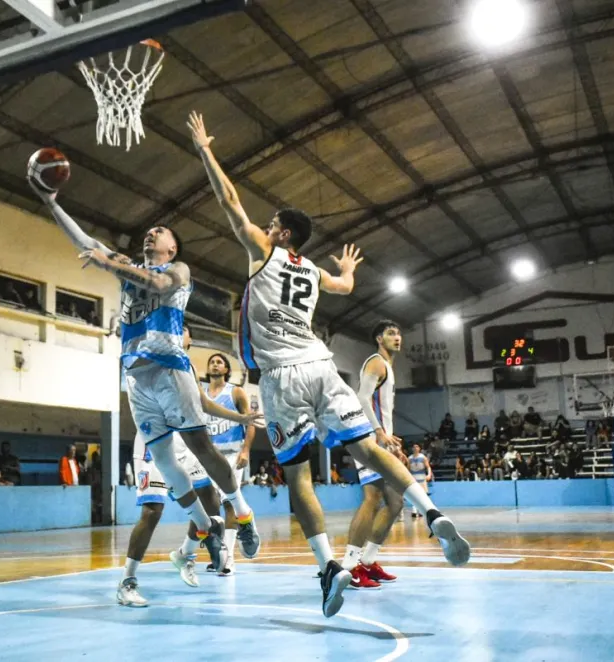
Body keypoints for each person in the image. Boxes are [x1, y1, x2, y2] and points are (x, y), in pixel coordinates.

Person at [189, 110, 470, 619]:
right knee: (365, 448)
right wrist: (345, 273)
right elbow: (344, 288)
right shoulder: (314, 272)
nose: (266, 226)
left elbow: (230, 203)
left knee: (298, 477)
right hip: (322, 366)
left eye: (273, 223)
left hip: (280, 378)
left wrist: (207, 150)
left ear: (283, 233)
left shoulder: (267, 253)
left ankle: (329, 568)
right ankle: (431, 511)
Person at [32, 174, 260, 572]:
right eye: (149, 230)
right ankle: (206, 529)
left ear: (172, 246)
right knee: (165, 460)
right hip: (136, 376)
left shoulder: (180, 270)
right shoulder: (127, 266)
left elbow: (157, 283)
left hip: (171, 367)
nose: (151, 233)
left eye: (160, 231)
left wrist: (107, 262)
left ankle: (242, 514)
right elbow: (86, 243)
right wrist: (52, 203)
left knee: (202, 449)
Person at [119, 326, 262, 606]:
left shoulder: (187, 368)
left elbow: (204, 403)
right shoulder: (152, 359)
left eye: (182, 331)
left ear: (189, 340)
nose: (176, 334)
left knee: (210, 496)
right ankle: (127, 581)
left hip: (184, 444)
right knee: (152, 511)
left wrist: (240, 418)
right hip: (154, 444)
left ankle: (186, 553)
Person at [344, 321, 407, 589]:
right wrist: (380, 433)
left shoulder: (387, 367)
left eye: (398, 333)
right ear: (379, 338)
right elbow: (361, 398)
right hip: (368, 438)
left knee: (395, 504)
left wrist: (394, 446)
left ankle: (368, 561)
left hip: (381, 440)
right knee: (372, 497)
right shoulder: (376, 362)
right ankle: (349, 566)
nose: (397, 337)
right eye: (391, 333)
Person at [201, 350, 256, 575]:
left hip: (233, 454)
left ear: (226, 369)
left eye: (219, 362)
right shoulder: (200, 393)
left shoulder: (236, 392)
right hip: (208, 455)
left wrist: (246, 450)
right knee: (210, 506)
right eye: (212, 362)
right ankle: (219, 555)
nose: (215, 365)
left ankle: (229, 557)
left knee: (229, 504)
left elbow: (251, 423)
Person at [407, 443, 433, 515]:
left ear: (419, 448)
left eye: (417, 447)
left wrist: (429, 474)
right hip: (413, 479)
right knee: (414, 495)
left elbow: (428, 467)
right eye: (414, 447)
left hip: (422, 478)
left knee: (423, 495)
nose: (415, 448)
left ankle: (422, 510)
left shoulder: (423, 457)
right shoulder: (409, 458)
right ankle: (414, 510)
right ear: (412, 449)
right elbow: (408, 469)